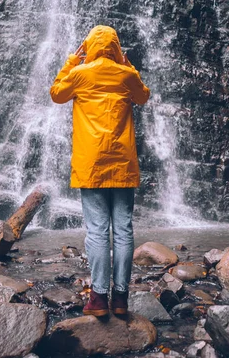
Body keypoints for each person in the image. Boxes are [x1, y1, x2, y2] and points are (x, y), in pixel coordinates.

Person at [50, 24, 150, 317]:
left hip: (91, 163)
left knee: (96, 230)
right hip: (122, 163)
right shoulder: (127, 75)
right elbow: (143, 96)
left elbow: (56, 93)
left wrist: (72, 61)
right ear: (116, 48)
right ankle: (120, 297)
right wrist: (128, 65)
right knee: (123, 230)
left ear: (90, 47)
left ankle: (98, 298)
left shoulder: (80, 74)